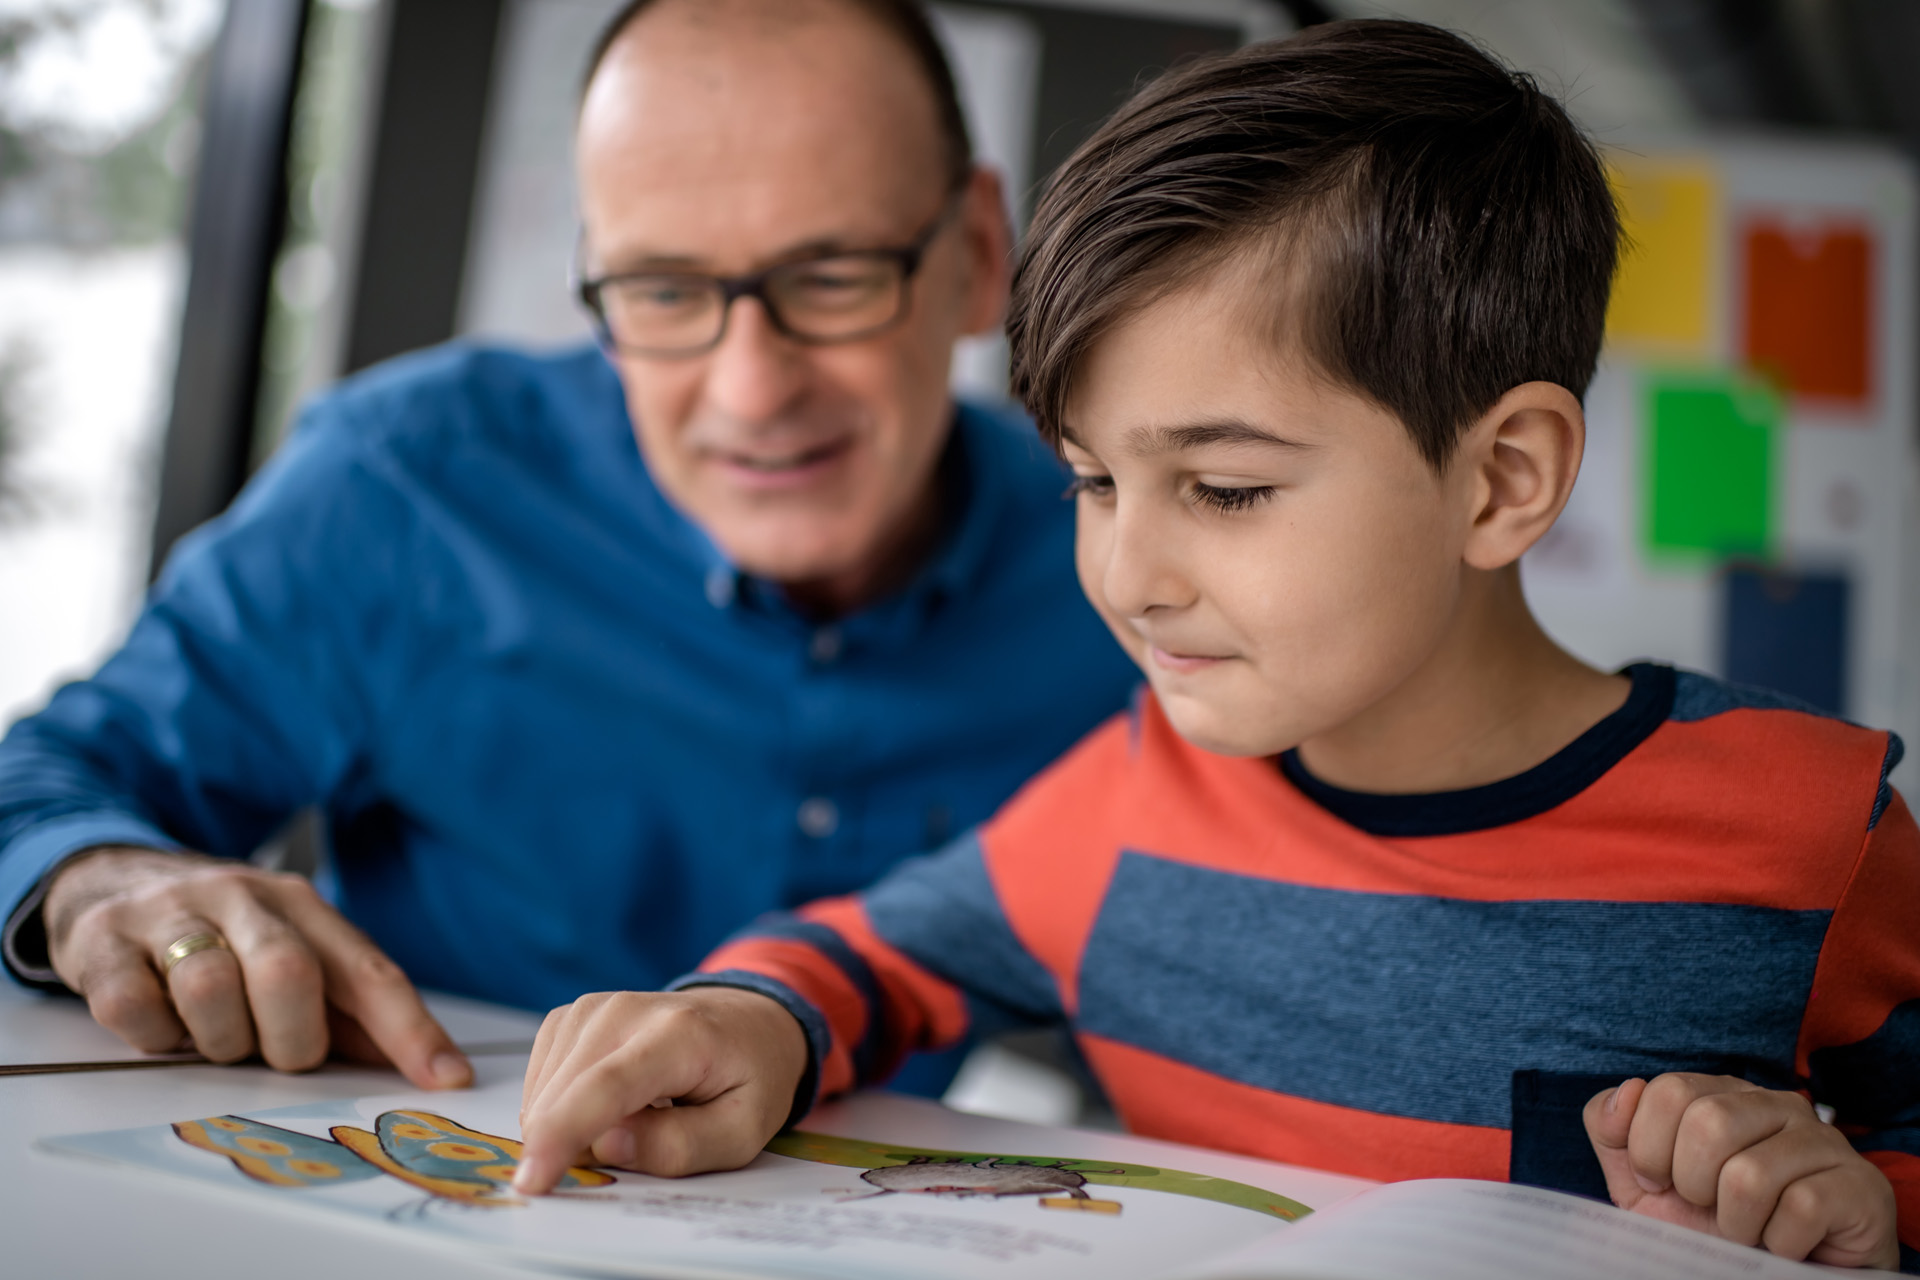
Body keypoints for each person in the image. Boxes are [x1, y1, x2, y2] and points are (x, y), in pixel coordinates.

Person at [509, 20, 1920, 1272]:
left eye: (1228, 489)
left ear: (1500, 481)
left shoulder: (1807, 834)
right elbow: (868, 956)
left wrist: (1862, 1209)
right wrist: (744, 1023)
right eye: (1092, 482)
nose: (1127, 574)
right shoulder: (1123, 806)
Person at [0, 0, 1138, 1095]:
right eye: (662, 288)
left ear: (981, 254)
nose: (751, 391)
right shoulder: (405, 488)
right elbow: (48, 782)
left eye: (833, 277)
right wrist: (108, 876)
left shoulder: (1129, 558)